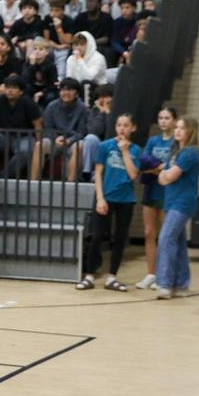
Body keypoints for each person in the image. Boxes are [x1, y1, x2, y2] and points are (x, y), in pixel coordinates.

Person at [78, 114, 140, 292]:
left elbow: (133, 175)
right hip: (106, 197)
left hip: (126, 199)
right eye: (119, 125)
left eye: (126, 125)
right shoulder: (105, 146)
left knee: (119, 238)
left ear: (132, 128)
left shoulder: (135, 149)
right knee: (97, 236)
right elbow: (98, 172)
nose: (122, 128)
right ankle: (89, 276)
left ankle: (112, 277)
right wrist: (100, 198)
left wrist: (125, 151)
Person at [155, 118, 199, 299]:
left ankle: (165, 284)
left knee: (166, 239)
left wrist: (166, 174)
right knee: (178, 242)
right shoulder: (175, 151)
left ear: (191, 131)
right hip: (171, 201)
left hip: (182, 203)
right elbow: (162, 178)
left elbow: (170, 176)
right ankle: (181, 284)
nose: (178, 131)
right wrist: (165, 174)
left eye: (182, 128)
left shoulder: (190, 152)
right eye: (177, 127)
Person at [136, 106, 176, 290]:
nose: (163, 121)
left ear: (174, 120)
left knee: (166, 236)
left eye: (167, 118)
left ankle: (165, 274)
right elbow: (143, 163)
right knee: (149, 233)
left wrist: (159, 167)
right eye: (160, 118)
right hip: (151, 190)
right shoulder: (153, 141)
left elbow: (174, 167)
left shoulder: (177, 142)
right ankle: (151, 274)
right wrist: (160, 166)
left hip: (168, 192)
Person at [31, 78, 87, 182]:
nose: (65, 93)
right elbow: (47, 128)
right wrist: (56, 139)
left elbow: (82, 132)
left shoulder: (82, 108)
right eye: (63, 90)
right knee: (40, 145)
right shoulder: (52, 106)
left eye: (70, 90)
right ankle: (33, 182)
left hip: (72, 141)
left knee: (79, 146)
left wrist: (69, 140)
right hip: (54, 141)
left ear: (77, 94)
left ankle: (70, 185)